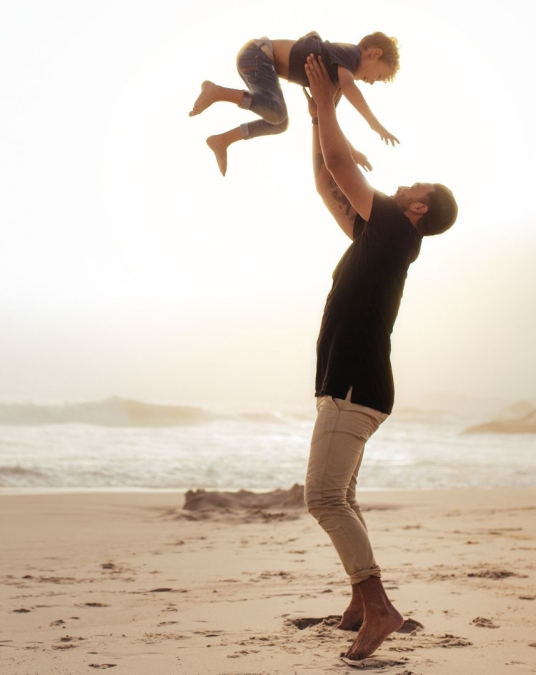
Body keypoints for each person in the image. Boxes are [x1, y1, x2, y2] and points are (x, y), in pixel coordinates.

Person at [301, 53, 457, 661]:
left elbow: (342, 163)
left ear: (418, 209)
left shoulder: (396, 229)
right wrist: (319, 116)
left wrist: (328, 109)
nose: (407, 182)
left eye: (417, 185)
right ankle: (360, 604)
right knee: (345, 496)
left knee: (324, 498)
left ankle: (380, 607)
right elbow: (327, 179)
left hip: (356, 385)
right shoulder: (381, 236)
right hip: (357, 385)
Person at [189, 31, 400, 176]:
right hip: (258, 55)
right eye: (378, 76)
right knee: (278, 112)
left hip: (258, 62)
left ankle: (223, 140)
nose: (372, 82)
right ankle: (216, 92)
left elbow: (329, 121)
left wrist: (353, 152)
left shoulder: (336, 79)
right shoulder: (350, 54)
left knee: (279, 122)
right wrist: (375, 125)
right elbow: (351, 88)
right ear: (374, 54)